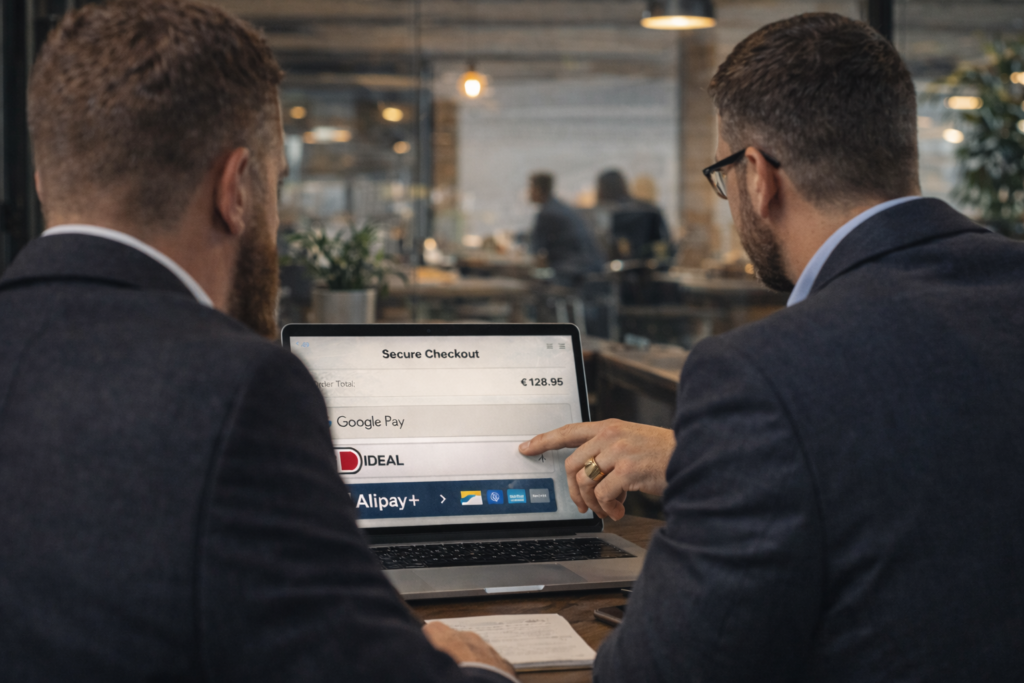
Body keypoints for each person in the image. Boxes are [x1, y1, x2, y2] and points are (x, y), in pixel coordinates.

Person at [0, 2, 514, 681]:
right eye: (275, 186)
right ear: (236, 189)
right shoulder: (238, 388)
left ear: (44, 181)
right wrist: (479, 669)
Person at [521, 13, 1024, 681]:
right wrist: (717, 461)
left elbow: (659, 672)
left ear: (757, 176)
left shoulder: (759, 374)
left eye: (722, 176)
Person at [528, 172, 604, 283]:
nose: (528, 193)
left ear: (538, 190)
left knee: (532, 279)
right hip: (591, 266)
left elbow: (534, 251)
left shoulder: (546, 213)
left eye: (530, 188)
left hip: (573, 271)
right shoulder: (561, 207)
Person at [594, 169, 672, 262]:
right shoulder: (649, 209)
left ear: (600, 190)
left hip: (609, 267)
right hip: (646, 266)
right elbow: (666, 245)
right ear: (624, 186)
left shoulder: (599, 215)